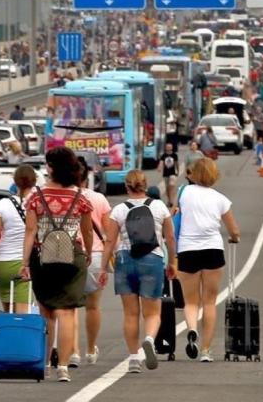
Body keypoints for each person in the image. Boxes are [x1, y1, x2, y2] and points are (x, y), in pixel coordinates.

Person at [20, 147, 95, 383]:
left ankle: (44, 364)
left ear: (51, 167)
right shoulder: (79, 197)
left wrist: (24, 262)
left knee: (47, 313)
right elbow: (87, 230)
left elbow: (30, 231)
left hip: (43, 257)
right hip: (72, 256)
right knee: (67, 312)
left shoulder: (36, 197)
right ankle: (63, 365)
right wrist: (88, 253)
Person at [99, 170, 176, 373]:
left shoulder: (119, 210)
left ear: (127, 186)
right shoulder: (159, 206)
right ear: (145, 185)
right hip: (152, 260)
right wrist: (172, 263)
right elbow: (170, 238)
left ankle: (134, 358)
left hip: (125, 260)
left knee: (130, 313)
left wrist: (103, 267)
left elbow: (109, 241)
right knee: (152, 313)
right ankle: (149, 339)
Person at [175, 158, 241, 362]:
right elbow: (234, 230)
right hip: (212, 249)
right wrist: (234, 237)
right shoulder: (221, 199)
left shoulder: (183, 193)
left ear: (192, 173)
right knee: (210, 302)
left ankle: (192, 328)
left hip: (187, 249)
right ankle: (205, 350)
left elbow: (177, 214)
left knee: (190, 301)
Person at [0, 165, 36, 314]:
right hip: (22, 263)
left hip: (2, 264)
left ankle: (6, 338)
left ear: (15, 181)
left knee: (8, 315)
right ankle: (20, 338)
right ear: (34, 181)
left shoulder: (3, 204)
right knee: (22, 317)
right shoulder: (36, 204)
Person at [73, 156, 110, 367]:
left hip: (70, 254)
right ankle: (90, 349)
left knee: (70, 306)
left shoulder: (66, 198)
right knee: (93, 306)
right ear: (87, 175)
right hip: (95, 254)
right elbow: (107, 232)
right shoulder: (99, 199)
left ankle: (74, 351)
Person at [158, 142, 179, 207]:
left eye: (170, 147)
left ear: (172, 147)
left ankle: (172, 201)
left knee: (171, 186)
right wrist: (159, 167)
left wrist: (178, 170)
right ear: (165, 148)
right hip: (166, 174)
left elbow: (176, 163)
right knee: (167, 188)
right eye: (167, 147)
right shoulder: (163, 155)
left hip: (173, 173)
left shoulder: (174, 155)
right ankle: (169, 201)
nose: (169, 148)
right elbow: (161, 162)